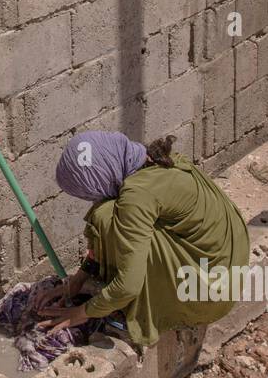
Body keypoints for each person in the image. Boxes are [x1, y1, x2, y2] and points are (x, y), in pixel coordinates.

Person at [36, 131, 251, 347]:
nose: (93, 197)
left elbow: (127, 287)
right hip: (230, 275)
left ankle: (134, 317)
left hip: (205, 298)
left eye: (89, 192)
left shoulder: (136, 195)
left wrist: (81, 313)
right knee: (115, 217)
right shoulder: (160, 161)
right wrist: (78, 280)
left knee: (105, 215)